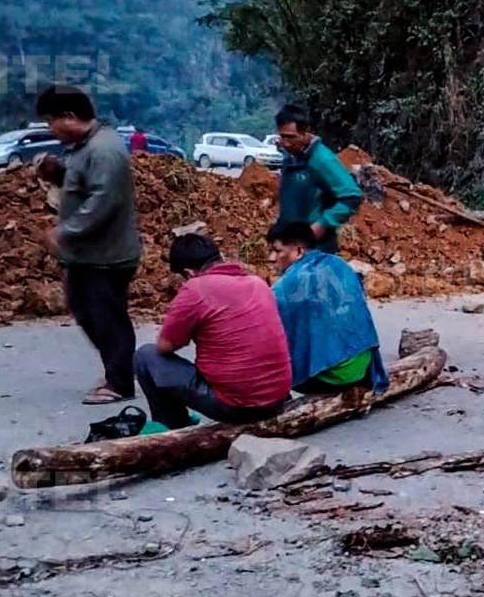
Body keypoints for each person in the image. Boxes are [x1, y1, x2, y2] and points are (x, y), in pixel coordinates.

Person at [36, 84, 143, 405]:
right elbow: (85, 183)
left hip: (107, 255)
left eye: (51, 121)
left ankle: (121, 382)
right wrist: (58, 173)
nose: (51, 129)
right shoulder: (86, 147)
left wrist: (63, 232)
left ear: (69, 116)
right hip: (89, 254)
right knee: (86, 311)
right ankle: (116, 370)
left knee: (107, 317)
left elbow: (103, 201)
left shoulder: (103, 149)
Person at [133, 234, 292, 430]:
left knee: (145, 356)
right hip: (277, 398)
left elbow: (165, 346)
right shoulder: (257, 283)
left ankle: (173, 427)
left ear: (189, 273)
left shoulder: (195, 289)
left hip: (237, 406)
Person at [267, 222, 388, 395]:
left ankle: (276, 400)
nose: (272, 257)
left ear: (299, 251)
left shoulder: (288, 284)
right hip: (363, 369)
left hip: (331, 378)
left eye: (277, 251)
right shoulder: (340, 264)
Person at [274, 104, 363, 253]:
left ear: (305, 133)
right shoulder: (292, 157)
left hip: (315, 247)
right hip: (291, 244)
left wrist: (323, 224)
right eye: (283, 136)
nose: (286, 143)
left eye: (291, 137)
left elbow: (352, 195)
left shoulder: (322, 160)